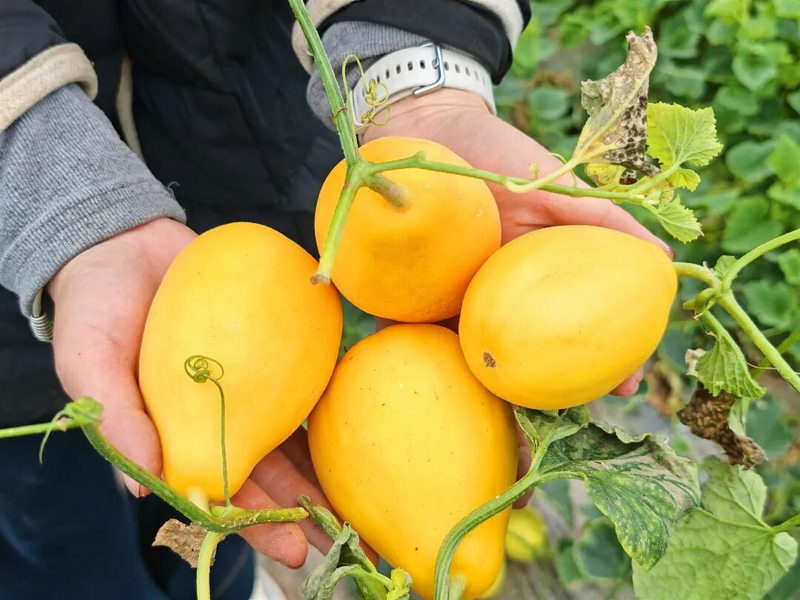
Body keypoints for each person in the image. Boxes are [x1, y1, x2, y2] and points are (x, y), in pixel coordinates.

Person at [0, 1, 671, 598]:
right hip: (27, 309)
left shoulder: (350, 232)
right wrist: (51, 189)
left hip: (268, 174)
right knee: (60, 535)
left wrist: (412, 83)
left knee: (212, 509)